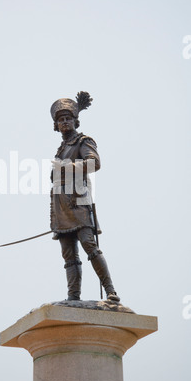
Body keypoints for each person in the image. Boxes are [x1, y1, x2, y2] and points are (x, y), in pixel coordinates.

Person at [50, 92, 120, 303]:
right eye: (60, 119)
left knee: (89, 245)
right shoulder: (61, 149)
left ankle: (110, 291)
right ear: (56, 125)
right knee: (69, 256)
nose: (64, 122)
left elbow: (94, 163)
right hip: (61, 208)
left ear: (75, 120)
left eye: (68, 118)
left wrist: (67, 166)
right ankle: (73, 297)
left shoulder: (83, 141)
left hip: (78, 203)